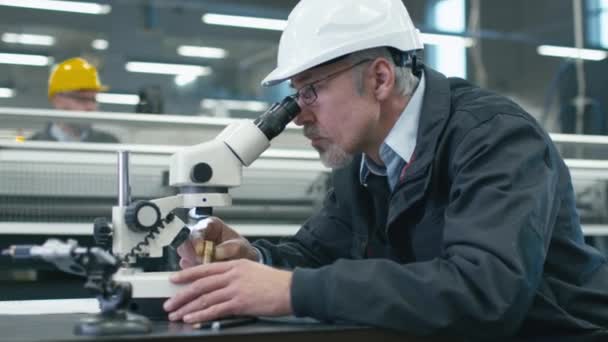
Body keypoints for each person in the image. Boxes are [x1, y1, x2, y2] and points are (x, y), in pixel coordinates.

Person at [163, 0, 608, 339]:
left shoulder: (495, 138)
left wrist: (289, 290)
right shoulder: (364, 161)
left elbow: (485, 292)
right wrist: (255, 262)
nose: (298, 115)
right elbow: (319, 254)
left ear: (379, 78)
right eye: (296, 95)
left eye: (311, 90)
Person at [29, 57, 119, 143]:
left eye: (93, 100)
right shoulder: (31, 147)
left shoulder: (109, 144)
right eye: (82, 99)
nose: (91, 107)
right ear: (57, 100)